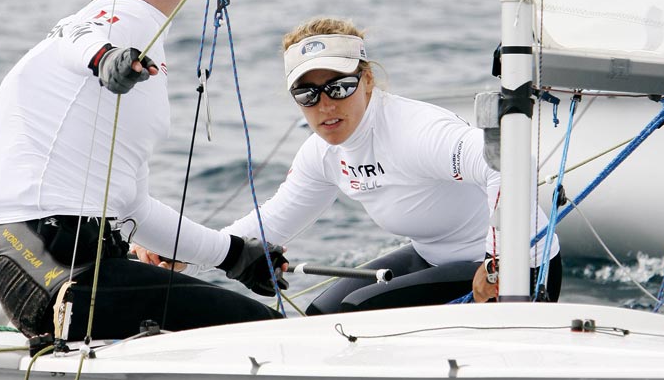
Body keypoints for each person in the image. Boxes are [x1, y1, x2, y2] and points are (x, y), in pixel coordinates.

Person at [0, 0, 287, 341]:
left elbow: (134, 205)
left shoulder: (141, 49)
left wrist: (232, 255)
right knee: (266, 331)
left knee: (241, 322)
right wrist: (105, 57)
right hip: (54, 259)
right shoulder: (112, 20)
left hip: (48, 267)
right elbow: (75, 36)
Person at [214, 17, 561, 313]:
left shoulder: (415, 131)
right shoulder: (321, 153)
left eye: (339, 87)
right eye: (307, 94)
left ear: (367, 81)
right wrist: (187, 252)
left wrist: (497, 263)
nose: (325, 106)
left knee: (355, 313)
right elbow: (272, 222)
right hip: (433, 257)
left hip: (520, 268)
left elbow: (509, 163)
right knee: (320, 314)